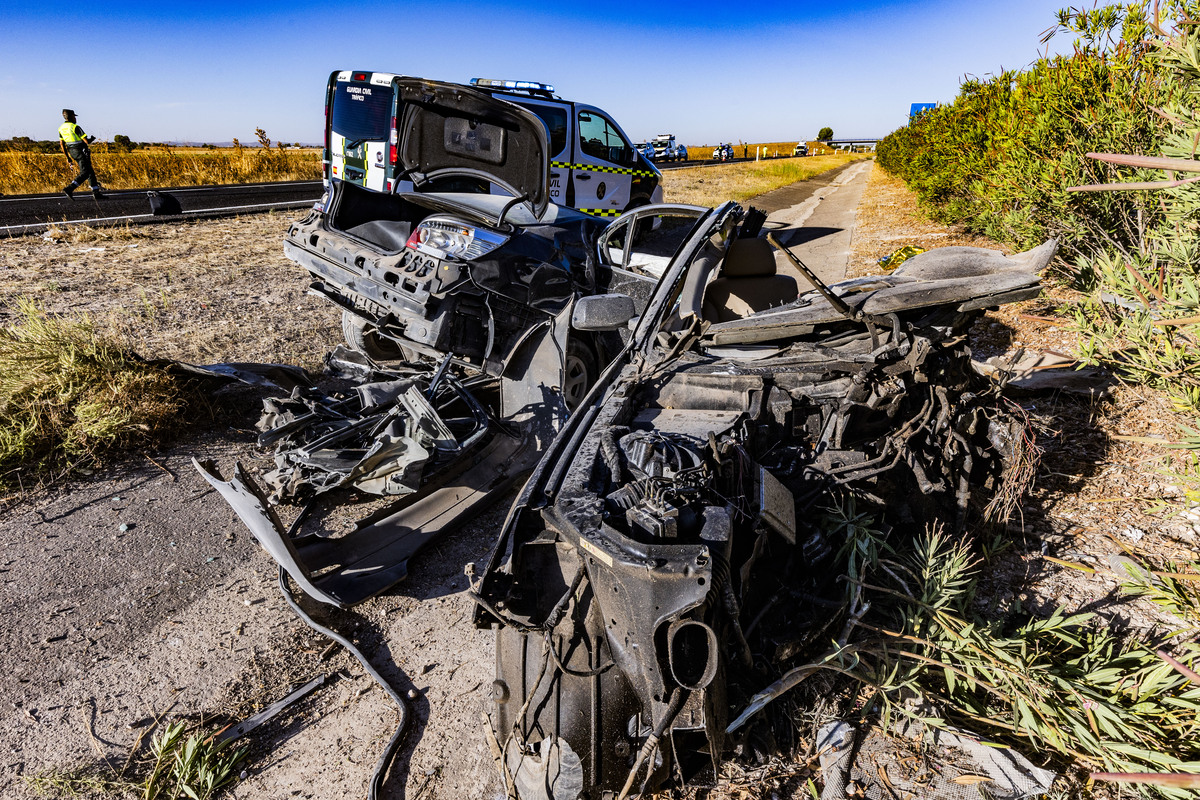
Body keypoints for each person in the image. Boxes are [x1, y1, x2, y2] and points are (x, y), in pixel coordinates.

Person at [58, 109, 103, 199]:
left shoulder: (61, 128)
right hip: (80, 151)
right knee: (86, 172)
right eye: (74, 116)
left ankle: (96, 192)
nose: (75, 118)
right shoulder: (75, 127)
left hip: (72, 152)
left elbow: (62, 144)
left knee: (90, 170)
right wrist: (92, 139)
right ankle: (69, 188)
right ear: (71, 117)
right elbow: (86, 141)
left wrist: (68, 157)